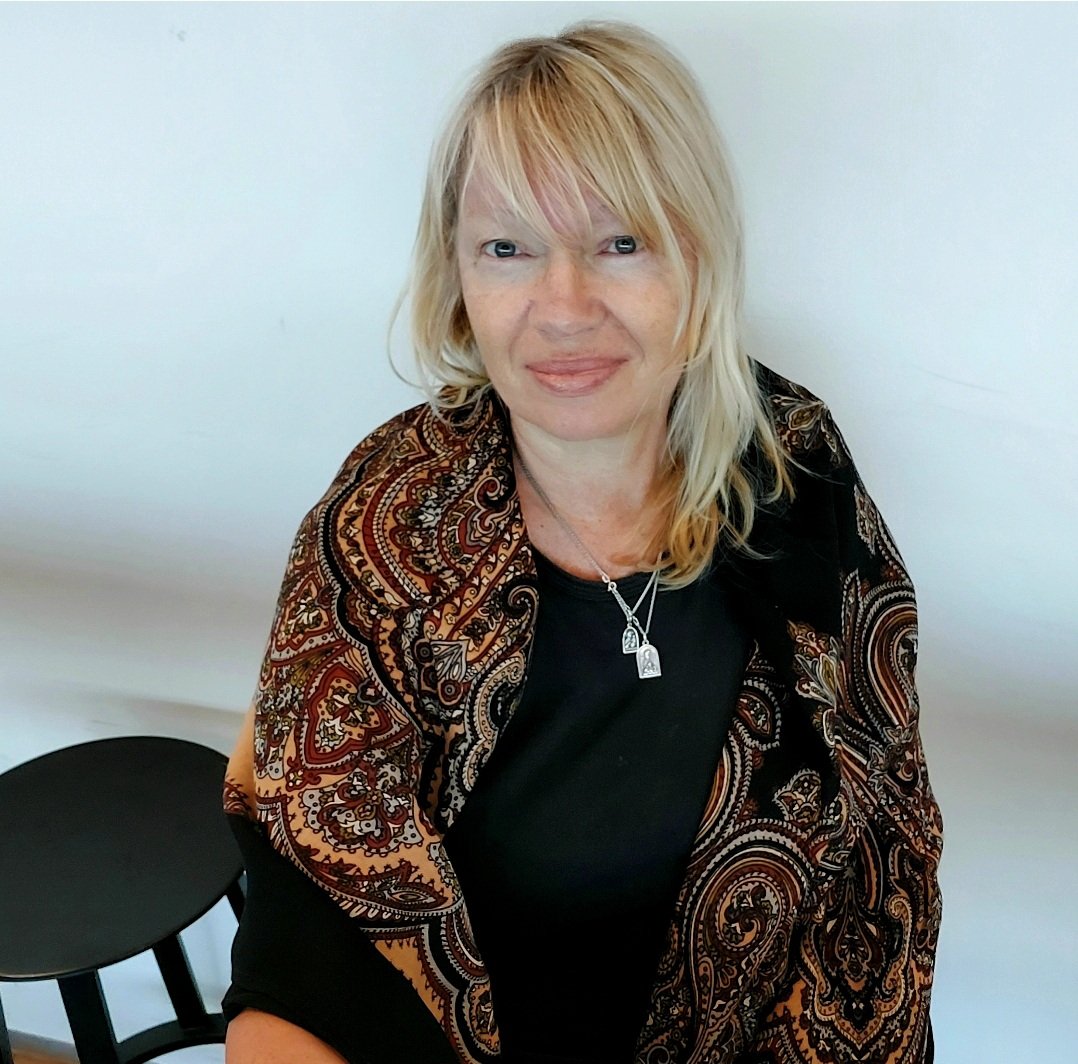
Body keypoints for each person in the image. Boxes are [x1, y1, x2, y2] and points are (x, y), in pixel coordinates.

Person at [222, 20, 943, 1064]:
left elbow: (883, 830)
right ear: (458, 277)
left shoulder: (796, 462)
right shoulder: (386, 524)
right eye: (507, 248)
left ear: (699, 256)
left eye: (620, 242)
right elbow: (302, 946)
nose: (563, 308)